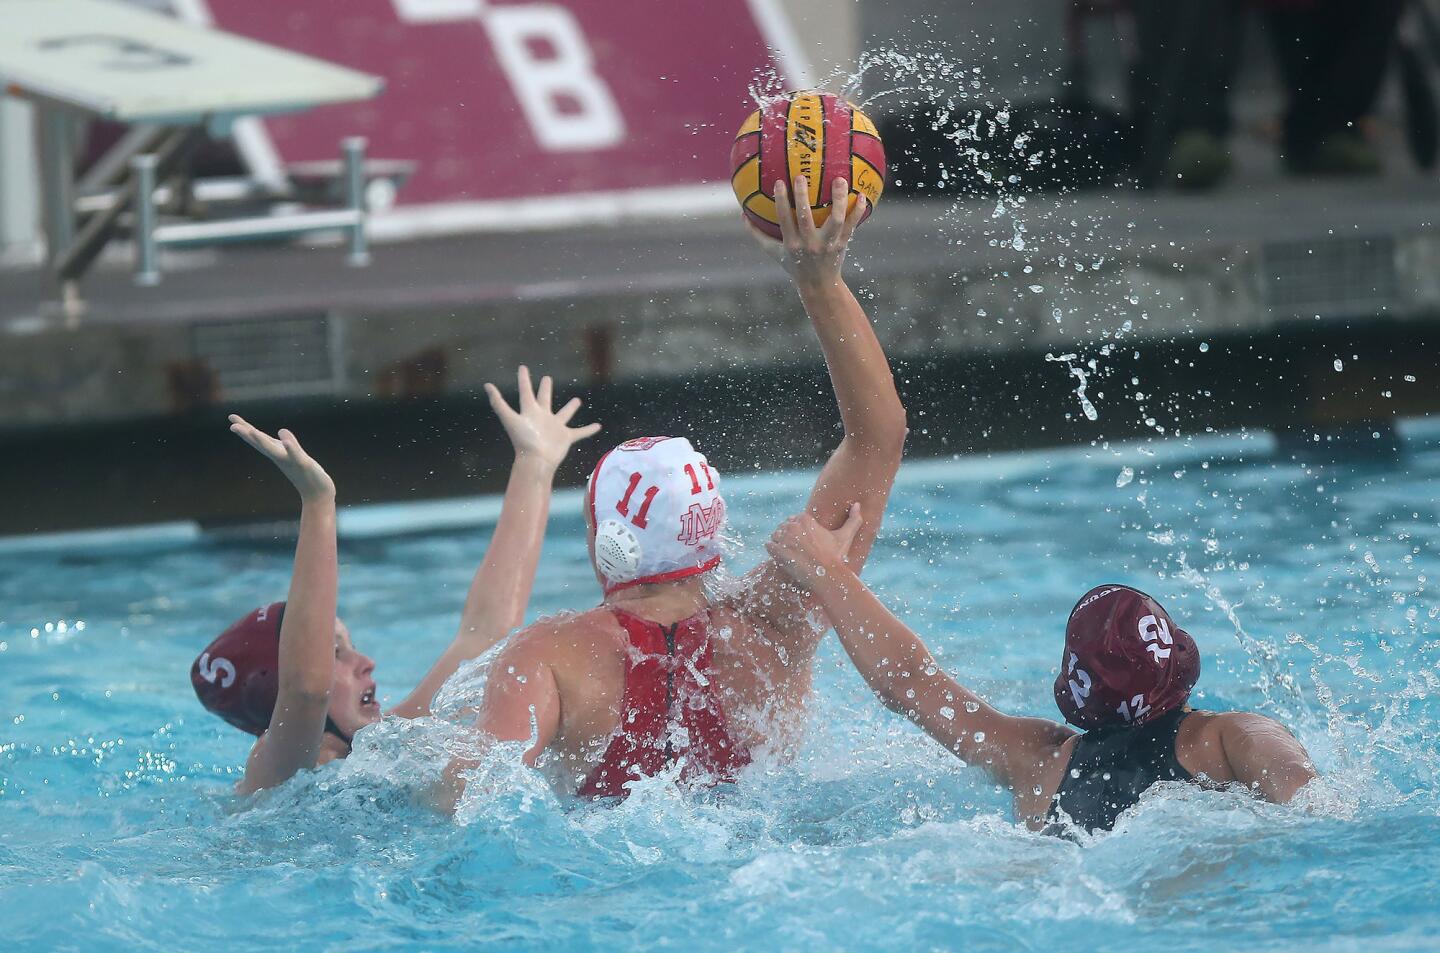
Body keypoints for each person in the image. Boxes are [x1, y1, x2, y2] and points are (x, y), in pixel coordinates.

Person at [440, 175, 908, 804]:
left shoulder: (547, 655)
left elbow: (462, 804)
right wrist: (819, 284)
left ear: (610, 540)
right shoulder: (781, 621)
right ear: (711, 529)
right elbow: (878, 438)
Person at [763, 505, 1318, 833]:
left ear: (1075, 686)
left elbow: (909, 681)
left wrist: (824, 569)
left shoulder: (1040, 762)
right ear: (1176, 658)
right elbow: (1323, 817)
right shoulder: (1233, 737)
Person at [190, 367, 600, 795]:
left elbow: (486, 632)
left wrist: (534, 464)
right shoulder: (274, 771)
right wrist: (318, 503)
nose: (365, 662)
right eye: (336, 652)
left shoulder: (387, 748)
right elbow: (307, 690)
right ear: (276, 690)